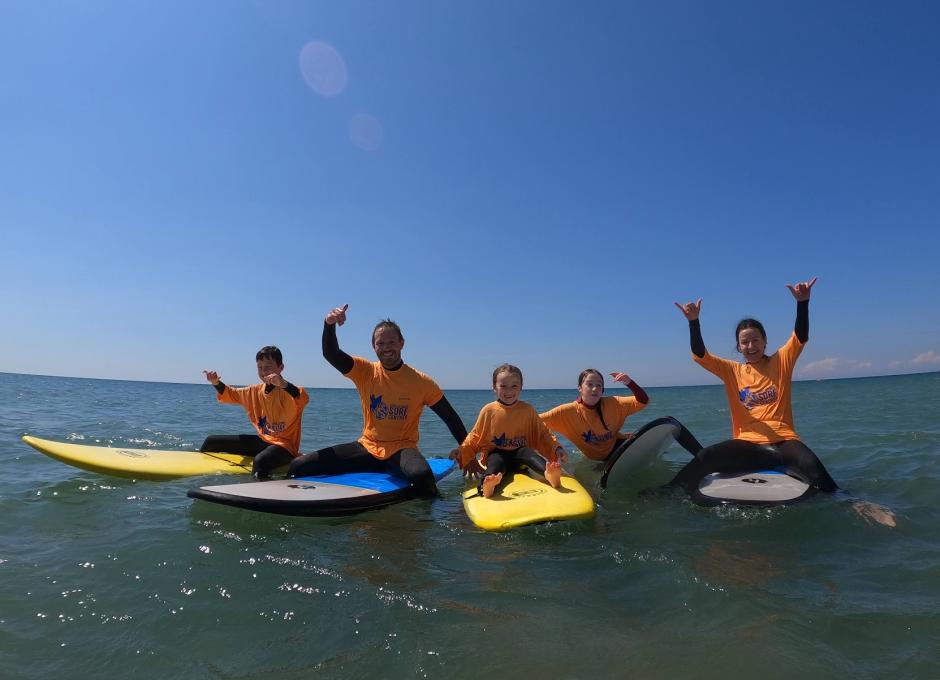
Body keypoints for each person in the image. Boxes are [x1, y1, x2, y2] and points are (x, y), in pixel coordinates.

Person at [673, 278, 895, 527]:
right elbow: (700, 355)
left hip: (784, 442)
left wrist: (803, 303)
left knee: (812, 467)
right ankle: (666, 492)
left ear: (765, 341)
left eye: (756, 340)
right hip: (747, 443)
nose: (750, 345)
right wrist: (693, 322)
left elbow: (799, 337)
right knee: (706, 456)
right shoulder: (731, 370)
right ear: (738, 346)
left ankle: (853, 502)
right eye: (745, 342)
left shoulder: (780, 361)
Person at [288, 304, 468, 498]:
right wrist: (329, 324)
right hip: (367, 447)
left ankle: (431, 519)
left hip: (401, 449)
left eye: (391, 342)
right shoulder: (365, 371)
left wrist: (467, 452)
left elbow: (450, 417)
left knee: (422, 476)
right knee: (299, 466)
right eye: (380, 343)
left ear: (402, 343)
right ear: (373, 347)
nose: (386, 348)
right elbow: (331, 354)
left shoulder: (421, 382)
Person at [454, 364, 566, 498]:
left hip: (521, 454)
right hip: (497, 454)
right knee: (494, 465)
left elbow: (543, 433)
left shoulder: (527, 410)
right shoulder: (489, 410)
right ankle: (488, 486)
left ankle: (549, 474)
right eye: (503, 386)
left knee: (530, 454)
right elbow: (475, 436)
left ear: (521, 387)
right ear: (494, 387)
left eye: (514, 386)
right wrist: (461, 451)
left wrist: (556, 448)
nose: (509, 390)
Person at [201, 346, 310, 480]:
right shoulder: (255, 391)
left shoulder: (289, 392)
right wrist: (216, 382)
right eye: (260, 367)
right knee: (211, 441)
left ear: (280, 367)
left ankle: (261, 493)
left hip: (284, 447)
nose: (264, 372)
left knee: (260, 461)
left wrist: (284, 384)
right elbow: (231, 394)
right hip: (263, 441)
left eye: (268, 367)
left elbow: (302, 397)